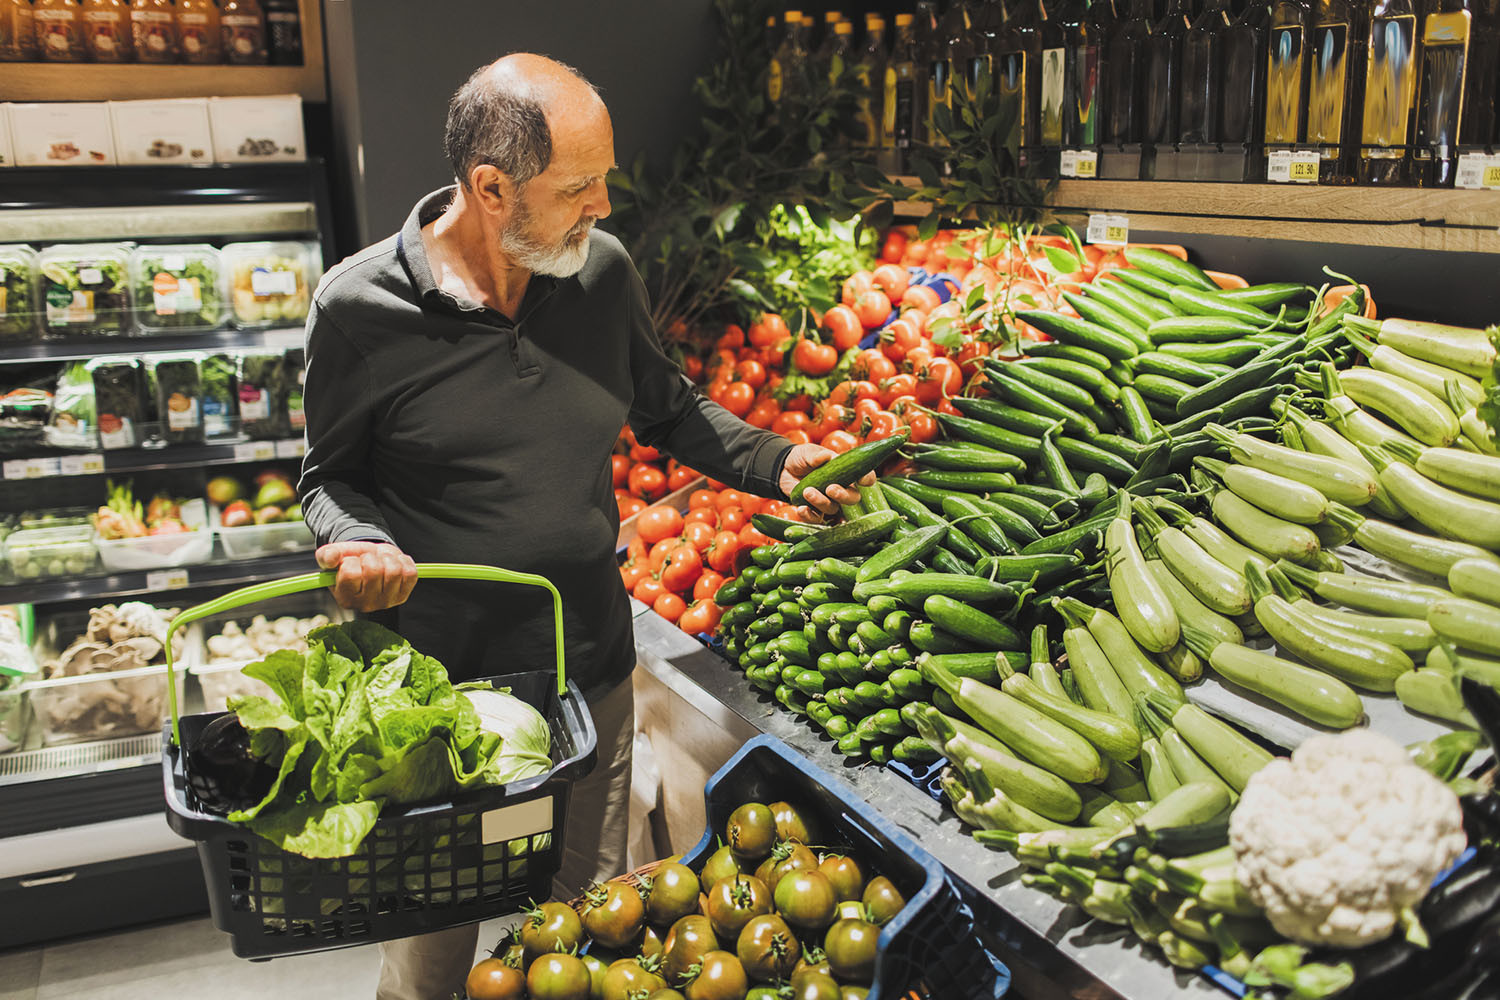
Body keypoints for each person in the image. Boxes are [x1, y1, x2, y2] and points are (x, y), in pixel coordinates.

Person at [297, 53, 867, 1000]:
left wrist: (774, 461)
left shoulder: (599, 274)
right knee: (437, 952)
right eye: (579, 186)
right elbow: (331, 478)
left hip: (587, 673)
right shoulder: (360, 311)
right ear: (489, 188)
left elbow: (670, 410)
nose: (604, 204)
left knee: (589, 933)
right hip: (444, 705)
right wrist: (355, 541)